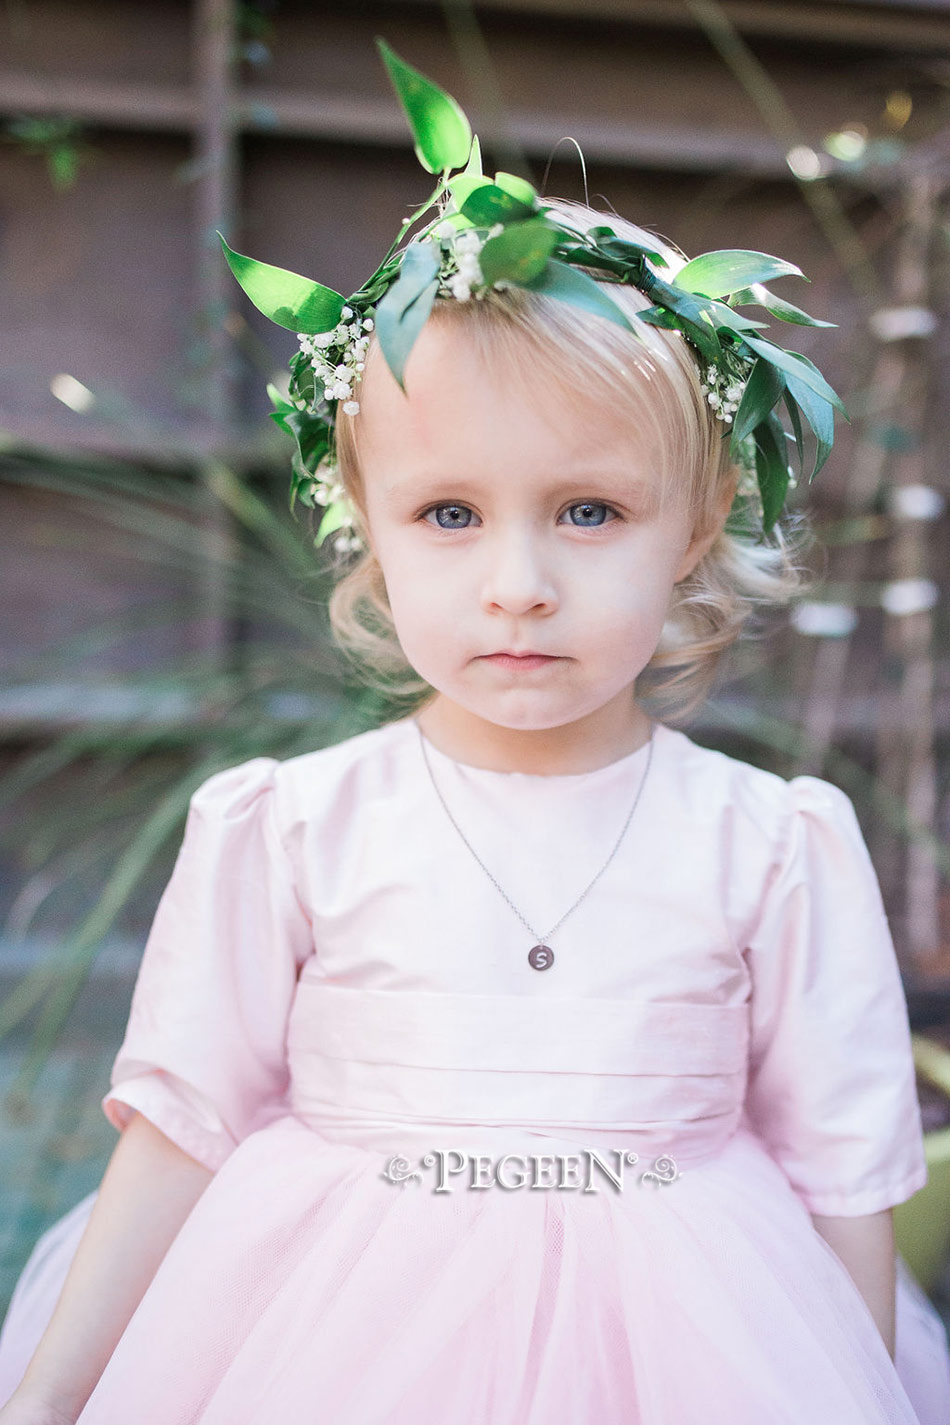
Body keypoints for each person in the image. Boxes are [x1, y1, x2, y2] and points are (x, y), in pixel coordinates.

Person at [2, 37, 950, 1425]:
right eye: (449, 513)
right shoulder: (291, 824)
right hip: (324, 1333)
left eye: (587, 511)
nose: (517, 580)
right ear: (372, 534)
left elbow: (845, 1172)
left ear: (689, 530)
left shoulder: (772, 841)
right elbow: (177, 1133)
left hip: (693, 1340)